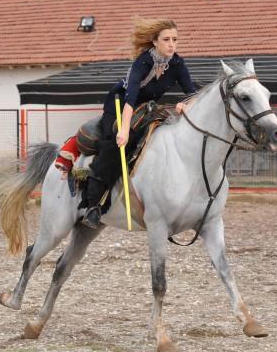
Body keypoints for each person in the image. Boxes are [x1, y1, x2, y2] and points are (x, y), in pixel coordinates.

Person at [79, 18, 197, 228]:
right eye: (167, 39)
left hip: (147, 109)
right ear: (154, 41)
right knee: (115, 147)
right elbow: (130, 99)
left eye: (175, 40)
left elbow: (192, 93)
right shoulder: (142, 62)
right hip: (120, 105)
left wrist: (185, 104)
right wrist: (123, 131)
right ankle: (93, 205)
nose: (172, 44)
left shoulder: (177, 63)